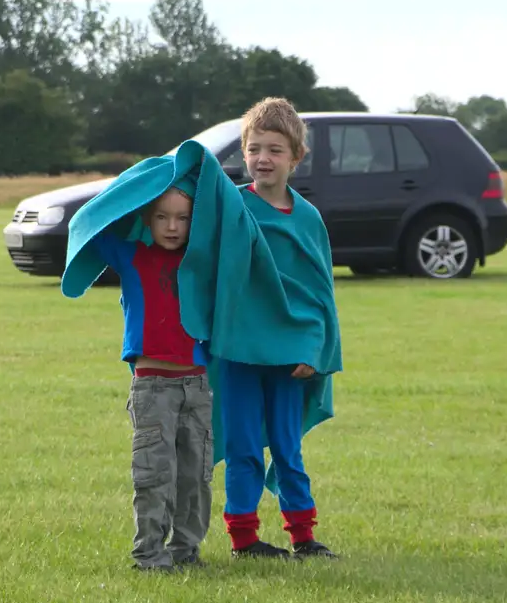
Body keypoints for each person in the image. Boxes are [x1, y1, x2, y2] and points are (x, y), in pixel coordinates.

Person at [219, 97, 342, 561]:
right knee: (245, 446)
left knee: (288, 449)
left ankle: (303, 535)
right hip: (240, 351)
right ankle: (244, 539)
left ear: (296, 158)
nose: (262, 159)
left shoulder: (307, 218)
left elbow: (319, 292)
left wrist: (315, 350)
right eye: (253, 149)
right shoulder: (232, 206)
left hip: (290, 358)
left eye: (274, 149)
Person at [89, 186, 213, 572]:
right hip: (152, 386)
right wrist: (143, 188)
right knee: (155, 473)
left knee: (196, 475)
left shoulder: (204, 262)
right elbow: (93, 222)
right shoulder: (132, 257)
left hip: (198, 385)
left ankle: (186, 552)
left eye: (183, 218)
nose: (173, 227)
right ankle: (150, 554)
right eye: (162, 217)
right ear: (147, 219)